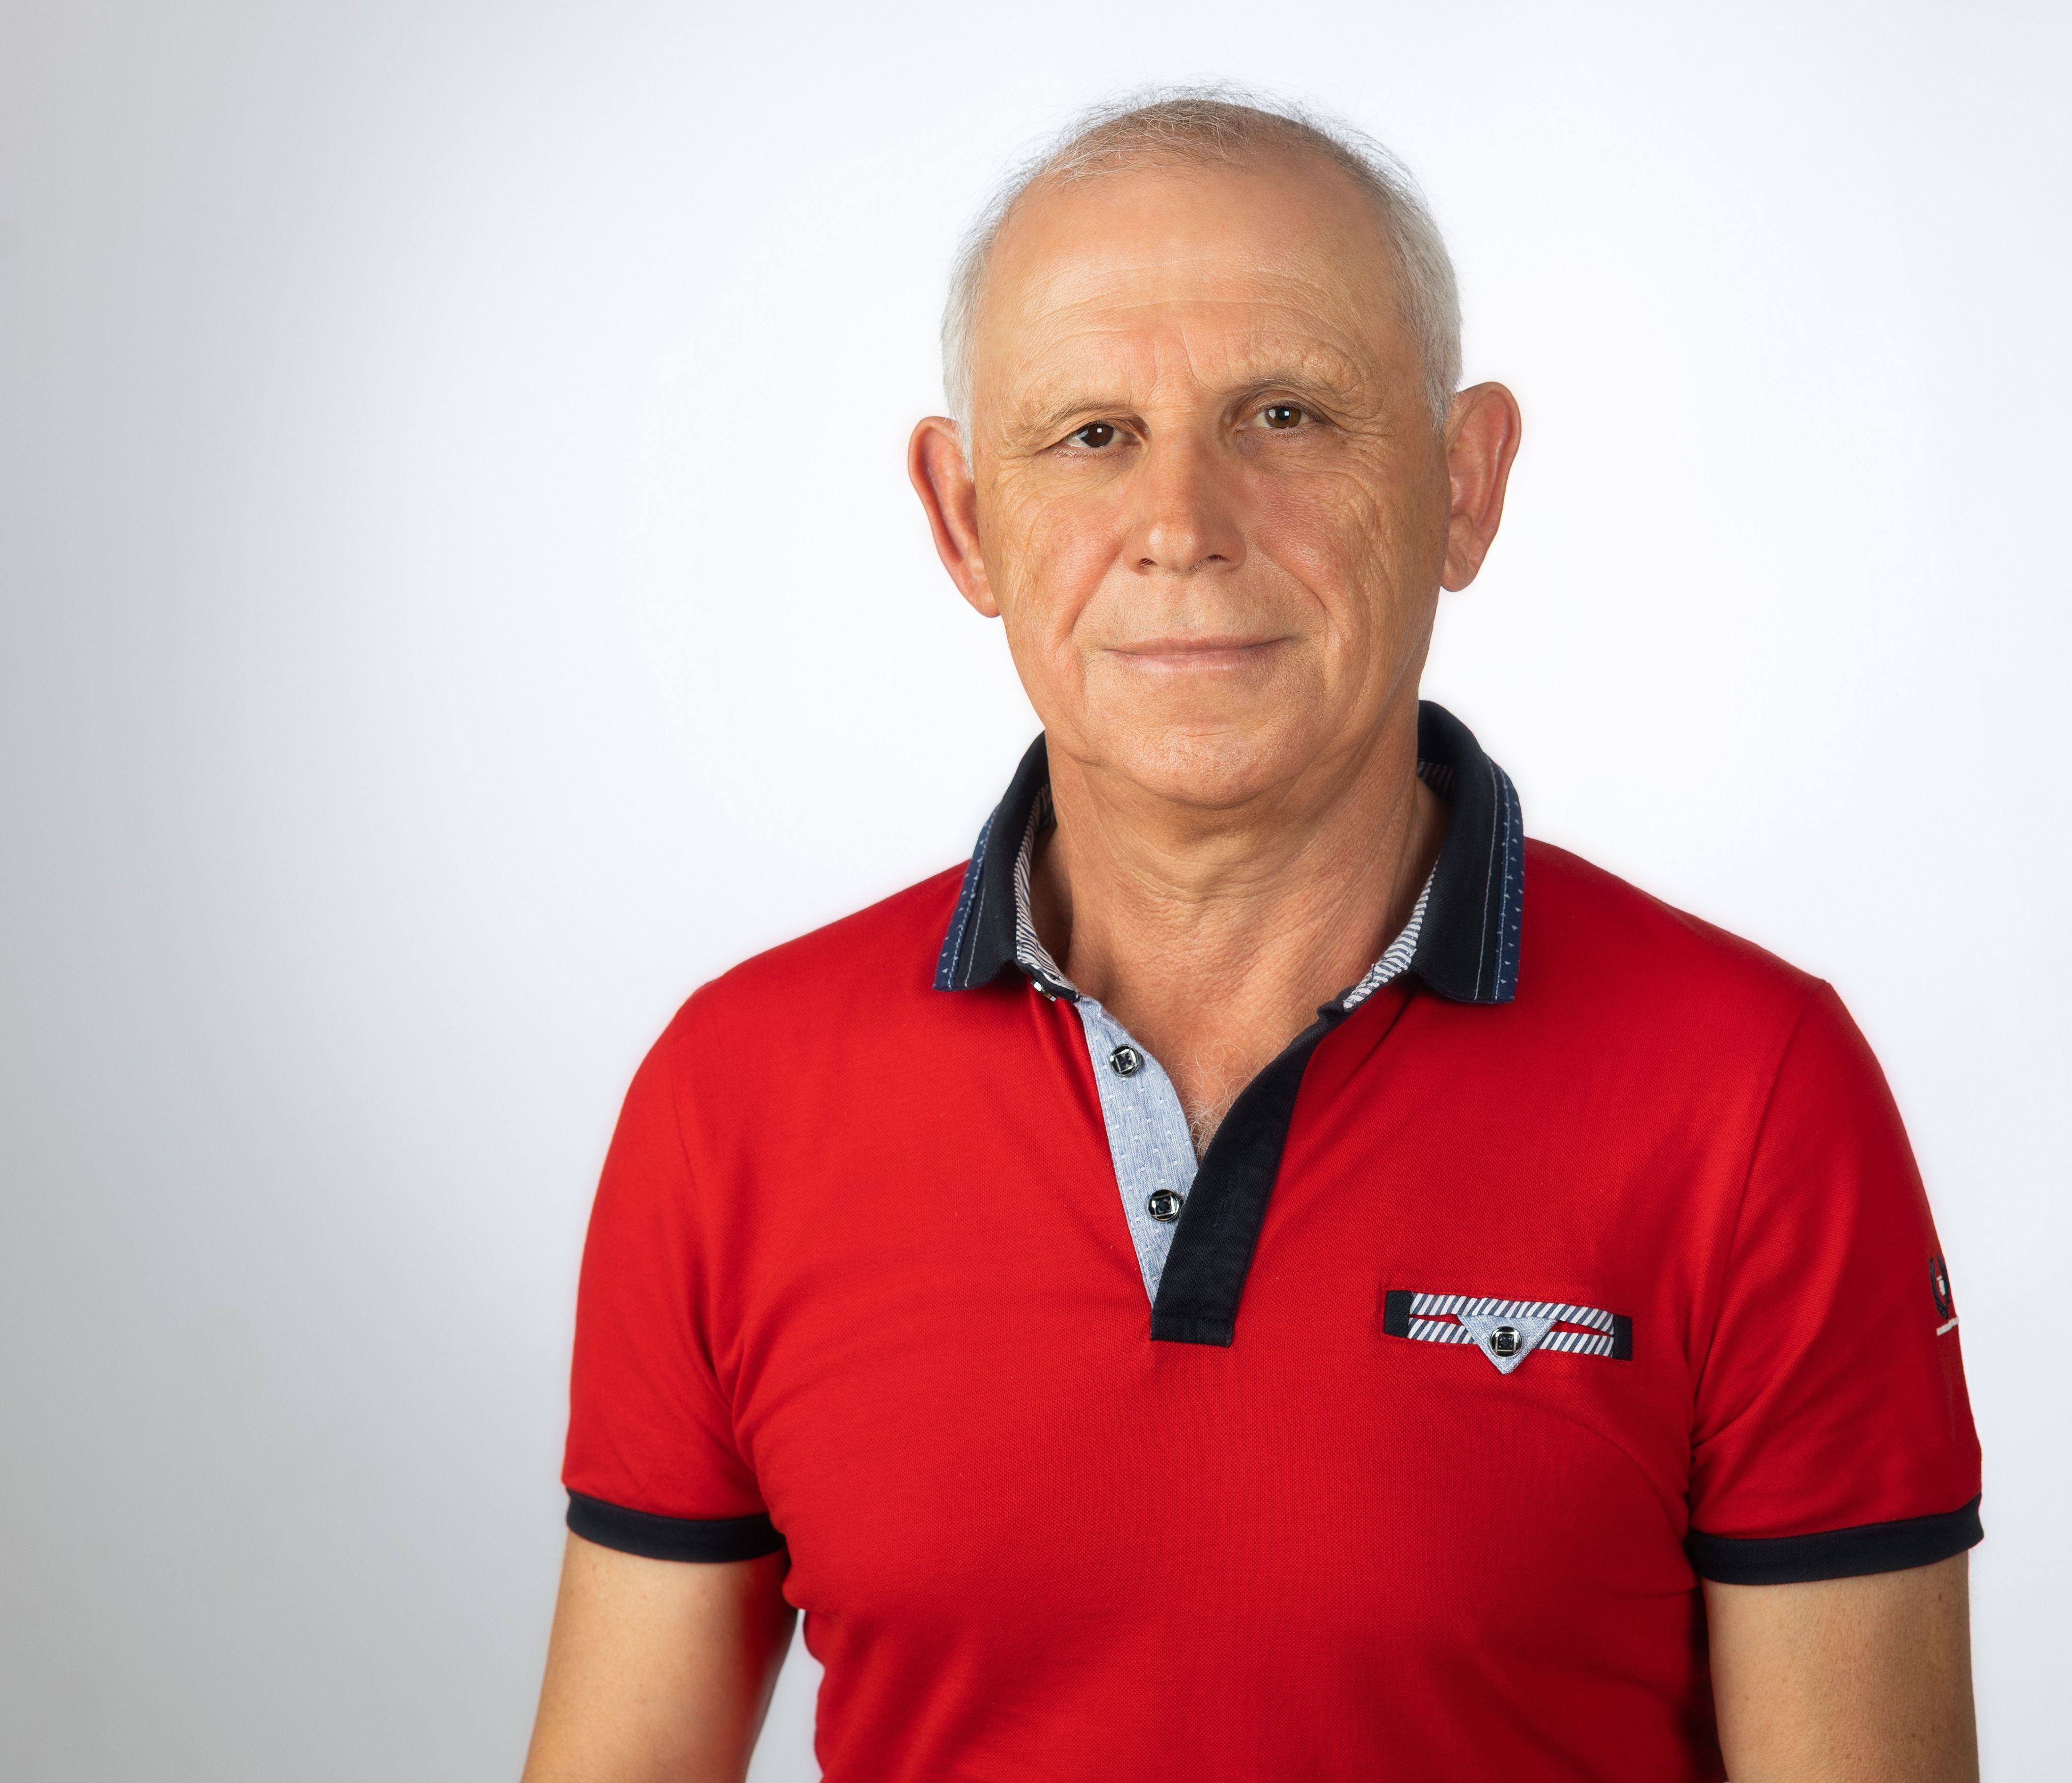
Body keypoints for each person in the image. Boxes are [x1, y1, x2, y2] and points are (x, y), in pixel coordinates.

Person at [521, 86, 1982, 1783]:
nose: (1184, 524)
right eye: (1092, 435)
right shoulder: (736, 1096)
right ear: (964, 518)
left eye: (1285, 415)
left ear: (1464, 484)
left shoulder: (1754, 1095)